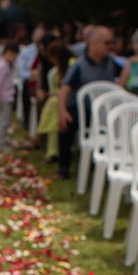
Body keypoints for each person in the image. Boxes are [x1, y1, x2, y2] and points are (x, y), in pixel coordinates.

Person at [56, 24, 120, 180]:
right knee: (68, 121)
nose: (111, 46)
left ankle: (103, 165)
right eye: (107, 43)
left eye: (112, 42)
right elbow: (65, 88)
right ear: (95, 43)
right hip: (82, 108)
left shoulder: (111, 63)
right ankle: (64, 166)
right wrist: (61, 111)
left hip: (104, 111)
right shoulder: (80, 64)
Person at [36, 40, 70, 161]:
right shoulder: (55, 72)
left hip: (70, 100)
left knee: (53, 103)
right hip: (58, 101)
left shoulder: (71, 66)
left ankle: (39, 136)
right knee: (53, 106)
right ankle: (51, 150)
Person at [0, 41, 20, 152]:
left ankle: (4, 139)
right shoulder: (2, 66)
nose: (14, 59)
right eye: (14, 56)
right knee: (3, 121)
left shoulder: (5, 65)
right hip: (2, 98)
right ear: (8, 52)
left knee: (6, 120)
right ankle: (1, 143)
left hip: (6, 96)